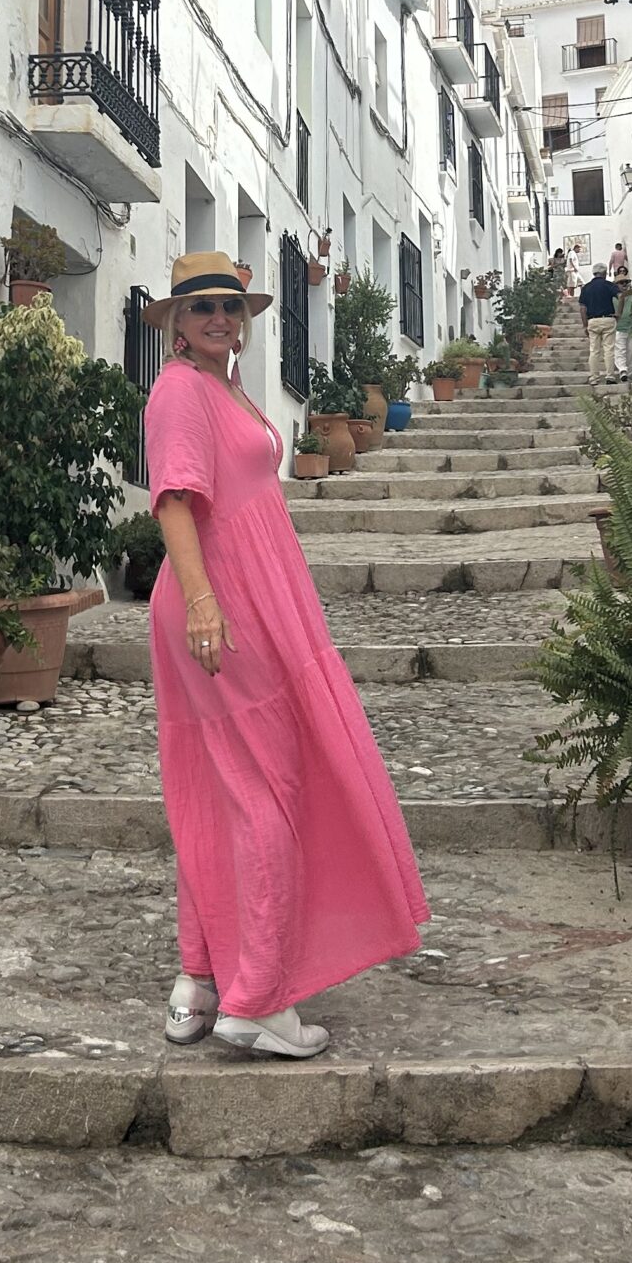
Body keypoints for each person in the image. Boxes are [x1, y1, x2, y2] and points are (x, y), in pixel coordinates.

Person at [142, 253, 428, 1059]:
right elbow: (174, 499)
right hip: (223, 605)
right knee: (267, 786)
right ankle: (260, 1000)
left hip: (251, 597)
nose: (219, 319)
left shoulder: (225, 386)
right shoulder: (179, 391)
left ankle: (201, 980)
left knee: (218, 788)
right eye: (202, 308)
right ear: (178, 321)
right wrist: (206, 603)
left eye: (230, 307)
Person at [579, 259, 621, 383]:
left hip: (592, 320)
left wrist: (585, 325)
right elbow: (621, 296)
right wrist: (619, 313)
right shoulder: (609, 285)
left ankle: (594, 377)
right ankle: (610, 376)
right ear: (605, 273)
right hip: (608, 319)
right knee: (609, 349)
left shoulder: (586, 288)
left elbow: (582, 308)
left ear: (593, 273)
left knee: (594, 350)